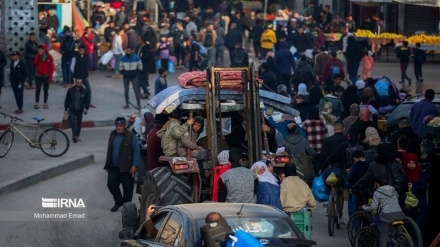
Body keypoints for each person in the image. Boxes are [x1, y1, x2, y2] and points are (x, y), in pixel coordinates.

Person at [104, 117, 140, 212]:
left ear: (125, 125)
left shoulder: (132, 136)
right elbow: (109, 150)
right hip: (113, 166)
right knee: (111, 184)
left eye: (121, 125)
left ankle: (127, 207)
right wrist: (107, 164)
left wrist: (135, 165)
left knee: (128, 188)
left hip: (126, 167)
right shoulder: (112, 134)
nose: (119, 127)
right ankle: (118, 201)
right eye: (117, 125)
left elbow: (136, 151)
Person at [361, 175, 405, 247]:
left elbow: (374, 207)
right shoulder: (393, 189)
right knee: (400, 234)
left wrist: (365, 208)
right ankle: (403, 241)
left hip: (387, 216)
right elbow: (397, 196)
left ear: (377, 184)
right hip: (399, 214)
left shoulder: (377, 192)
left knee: (383, 236)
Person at [404, 153, 427, 234]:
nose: (411, 165)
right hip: (408, 203)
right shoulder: (404, 173)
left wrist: (413, 186)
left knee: (418, 225)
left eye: (413, 163)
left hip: (419, 202)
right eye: (409, 163)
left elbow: (423, 187)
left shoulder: (421, 173)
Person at [64, 78, 90, 143]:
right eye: (77, 83)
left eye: (80, 83)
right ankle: (74, 136)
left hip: (80, 110)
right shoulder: (70, 90)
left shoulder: (84, 91)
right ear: (75, 83)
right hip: (72, 109)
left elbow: (87, 101)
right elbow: (67, 100)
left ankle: (77, 135)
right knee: (73, 123)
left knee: (79, 123)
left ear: (82, 83)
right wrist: (66, 109)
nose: (79, 84)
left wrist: (86, 109)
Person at [33, 44, 54, 110]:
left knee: (45, 90)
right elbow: (35, 63)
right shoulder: (38, 55)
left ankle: (45, 102)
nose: (40, 50)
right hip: (38, 75)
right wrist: (38, 55)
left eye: (41, 49)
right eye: (39, 49)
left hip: (46, 76)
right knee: (38, 89)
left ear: (44, 49)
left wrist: (50, 77)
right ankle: (37, 102)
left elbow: (51, 68)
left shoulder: (49, 57)